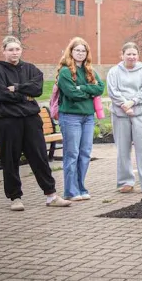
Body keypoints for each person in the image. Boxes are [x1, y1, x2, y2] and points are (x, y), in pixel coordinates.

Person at [0, 36, 71, 211]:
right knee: (10, 160)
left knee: (39, 157)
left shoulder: (30, 69)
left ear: (21, 50)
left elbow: (37, 89)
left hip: (31, 120)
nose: (14, 52)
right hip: (8, 121)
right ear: (4, 51)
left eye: (17, 49)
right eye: (10, 49)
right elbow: (0, 95)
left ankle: (51, 195)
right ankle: (15, 197)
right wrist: (25, 95)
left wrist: (16, 88)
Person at [55, 37, 105, 201]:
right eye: (77, 50)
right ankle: (70, 191)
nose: (80, 53)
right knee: (72, 154)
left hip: (88, 117)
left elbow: (100, 88)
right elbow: (72, 94)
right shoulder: (65, 72)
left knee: (85, 153)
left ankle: (81, 187)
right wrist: (88, 93)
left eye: (83, 51)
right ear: (71, 51)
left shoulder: (89, 70)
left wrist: (83, 87)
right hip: (70, 117)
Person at [107, 42, 142, 194]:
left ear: (138, 56)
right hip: (120, 114)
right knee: (123, 148)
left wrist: (132, 102)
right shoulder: (114, 72)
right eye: (128, 54)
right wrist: (124, 104)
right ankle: (125, 181)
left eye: (134, 54)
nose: (131, 57)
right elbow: (112, 91)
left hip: (141, 113)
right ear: (122, 55)